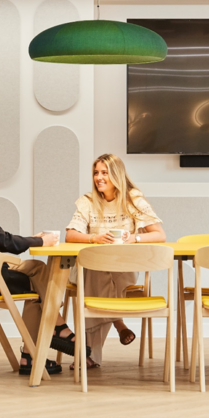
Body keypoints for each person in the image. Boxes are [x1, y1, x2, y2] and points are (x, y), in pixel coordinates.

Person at [0, 140, 83, 374]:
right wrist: (40, 241)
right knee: (39, 287)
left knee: (38, 270)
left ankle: (49, 335)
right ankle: (52, 333)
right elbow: (3, 242)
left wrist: (31, 238)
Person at [65, 153, 166, 368]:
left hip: (123, 269)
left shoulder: (133, 198)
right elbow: (71, 235)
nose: (99, 177)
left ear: (116, 175)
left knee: (100, 280)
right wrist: (94, 238)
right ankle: (117, 323)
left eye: (104, 173)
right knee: (94, 272)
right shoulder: (87, 201)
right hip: (90, 269)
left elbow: (159, 235)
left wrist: (134, 238)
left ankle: (88, 353)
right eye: (96, 173)